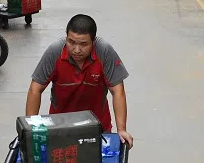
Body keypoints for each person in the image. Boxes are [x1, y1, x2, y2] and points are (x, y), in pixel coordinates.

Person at [26, 14, 133, 148]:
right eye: (71, 42)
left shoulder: (104, 52)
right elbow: (35, 89)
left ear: (93, 41)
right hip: (60, 128)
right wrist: (30, 131)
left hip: (98, 127)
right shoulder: (55, 52)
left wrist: (121, 129)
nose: (76, 50)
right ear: (66, 37)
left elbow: (118, 91)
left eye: (83, 44)